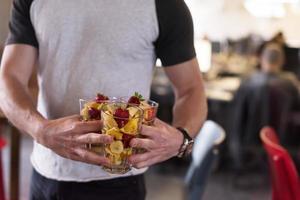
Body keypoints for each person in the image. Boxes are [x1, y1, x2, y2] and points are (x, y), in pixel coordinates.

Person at [0, 0, 207, 199]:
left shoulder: (163, 4)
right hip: (48, 171)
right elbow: (9, 79)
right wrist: (40, 130)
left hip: (120, 181)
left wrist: (182, 138)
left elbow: (190, 89)